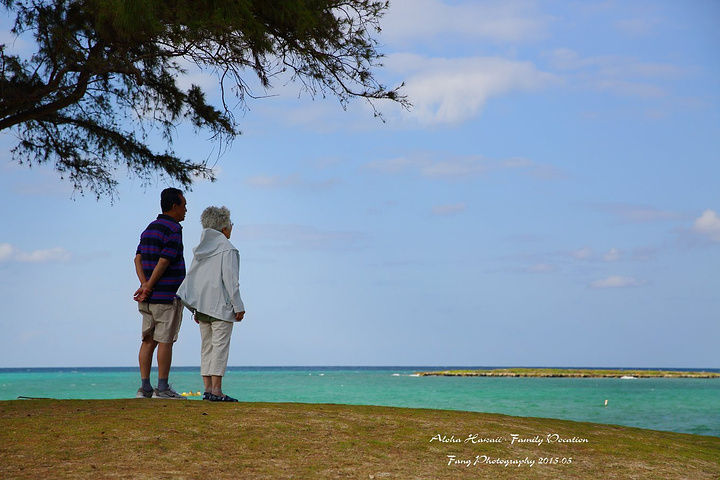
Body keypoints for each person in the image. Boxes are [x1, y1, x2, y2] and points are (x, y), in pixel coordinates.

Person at [177, 206, 246, 402]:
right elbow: (231, 281)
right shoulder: (228, 249)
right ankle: (216, 390)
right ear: (224, 228)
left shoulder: (201, 250)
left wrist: (194, 308)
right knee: (219, 347)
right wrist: (238, 306)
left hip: (201, 306)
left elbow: (193, 280)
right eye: (231, 224)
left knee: (206, 347)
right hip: (221, 306)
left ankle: (208, 389)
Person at [133, 188, 188, 399]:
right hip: (165, 295)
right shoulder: (173, 228)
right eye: (184, 205)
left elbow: (137, 259)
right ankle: (162, 388)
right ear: (174, 206)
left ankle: (144, 388)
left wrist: (144, 284)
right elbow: (165, 260)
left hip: (147, 298)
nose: (186, 210)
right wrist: (149, 285)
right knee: (165, 341)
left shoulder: (149, 228)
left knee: (148, 341)